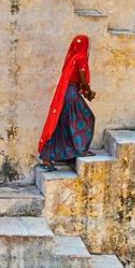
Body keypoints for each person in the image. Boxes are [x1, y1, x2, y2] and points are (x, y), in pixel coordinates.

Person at [38, 35, 97, 171]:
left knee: (61, 124)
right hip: (71, 93)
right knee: (88, 118)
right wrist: (89, 91)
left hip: (67, 92)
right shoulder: (81, 57)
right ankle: (80, 149)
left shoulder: (73, 58)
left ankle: (47, 157)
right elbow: (82, 79)